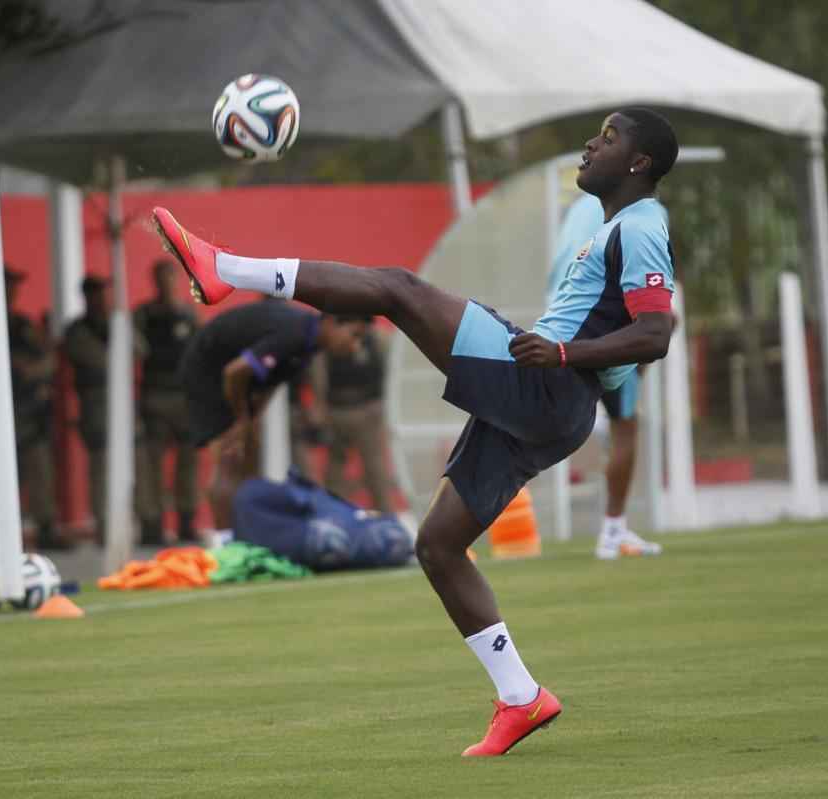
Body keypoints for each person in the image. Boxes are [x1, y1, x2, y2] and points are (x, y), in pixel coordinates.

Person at [154, 107, 679, 756]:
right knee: (436, 546)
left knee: (397, 290)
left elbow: (657, 332)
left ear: (639, 163)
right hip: (556, 406)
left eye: (608, 139)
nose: (589, 145)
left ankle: (223, 268)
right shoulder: (613, 227)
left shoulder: (644, 226)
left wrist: (565, 355)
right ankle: (521, 696)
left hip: (550, 384)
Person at [172, 301, 365, 536]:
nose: (355, 347)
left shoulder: (309, 343)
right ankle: (226, 545)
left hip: (236, 382)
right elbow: (235, 371)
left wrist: (252, 421)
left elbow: (270, 383)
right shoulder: (294, 332)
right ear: (332, 322)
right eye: (354, 335)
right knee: (230, 457)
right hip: (209, 373)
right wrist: (242, 420)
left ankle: (247, 536)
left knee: (250, 453)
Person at [550, 194, 663, 560]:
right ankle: (613, 530)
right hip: (609, 333)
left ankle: (468, 522)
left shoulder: (578, 209)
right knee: (625, 425)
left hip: (559, 327)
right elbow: (645, 287)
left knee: (526, 424)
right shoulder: (646, 214)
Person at [62, 275, 149, 545]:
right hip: (96, 404)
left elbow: (140, 350)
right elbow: (101, 361)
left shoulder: (117, 323)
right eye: (97, 294)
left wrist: (120, 328)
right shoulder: (78, 329)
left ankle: (143, 520)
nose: (102, 299)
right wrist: (117, 349)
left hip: (124, 403)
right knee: (101, 466)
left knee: (138, 460)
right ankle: (104, 525)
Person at [133, 260, 201, 545]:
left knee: (189, 463)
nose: (167, 284)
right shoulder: (144, 315)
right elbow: (136, 350)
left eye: (171, 278)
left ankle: (187, 520)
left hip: (184, 395)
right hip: (156, 395)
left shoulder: (189, 313)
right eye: (162, 278)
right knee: (152, 464)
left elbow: (201, 349)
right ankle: (153, 524)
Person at [4, 266, 68, 550]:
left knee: (40, 470)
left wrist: (35, 368)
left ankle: (45, 528)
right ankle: (2, 533)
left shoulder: (21, 324)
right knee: (1, 476)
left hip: (30, 411)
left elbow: (47, 361)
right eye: (9, 284)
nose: (13, 291)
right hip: (2, 413)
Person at [320, 322, 398, 513]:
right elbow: (319, 375)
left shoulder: (379, 339)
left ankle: (388, 521)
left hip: (367, 410)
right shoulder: (328, 337)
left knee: (376, 471)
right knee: (335, 473)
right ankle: (336, 519)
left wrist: (382, 408)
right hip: (337, 410)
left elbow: (392, 376)